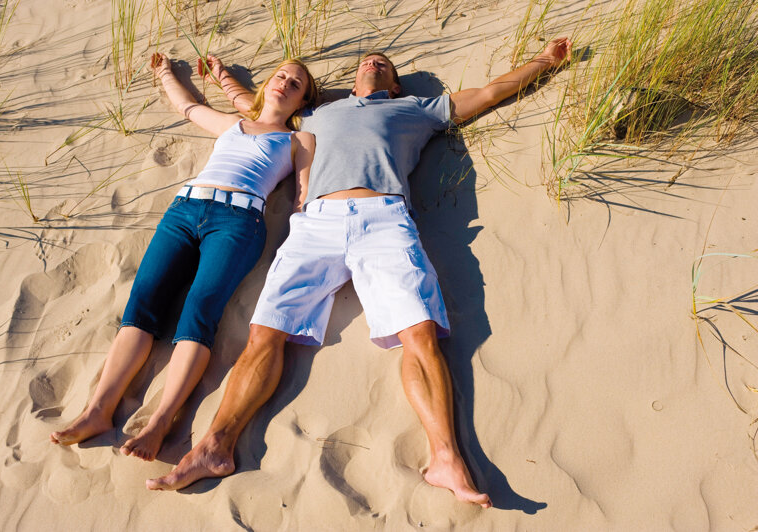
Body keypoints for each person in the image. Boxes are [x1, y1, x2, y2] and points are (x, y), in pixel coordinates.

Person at [146, 38, 572, 506]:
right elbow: (260, 103)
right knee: (265, 334)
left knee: (420, 333)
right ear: (352, 79)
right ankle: (214, 447)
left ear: (393, 83)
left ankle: (447, 459)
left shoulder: (418, 108)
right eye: (370, 60)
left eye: (385, 64)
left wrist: (546, 60)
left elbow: (490, 93)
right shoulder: (316, 113)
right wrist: (222, 77)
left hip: (384, 219)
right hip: (315, 224)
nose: (375, 61)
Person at [48, 53, 317, 462]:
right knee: (143, 304)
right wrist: (164, 73)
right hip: (184, 209)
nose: (285, 82)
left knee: (199, 311)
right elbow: (189, 107)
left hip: (238, 221)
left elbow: (301, 196)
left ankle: (160, 423)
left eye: (296, 83)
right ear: (266, 84)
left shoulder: (299, 140)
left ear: (302, 102)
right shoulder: (233, 124)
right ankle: (98, 411)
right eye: (280, 75)